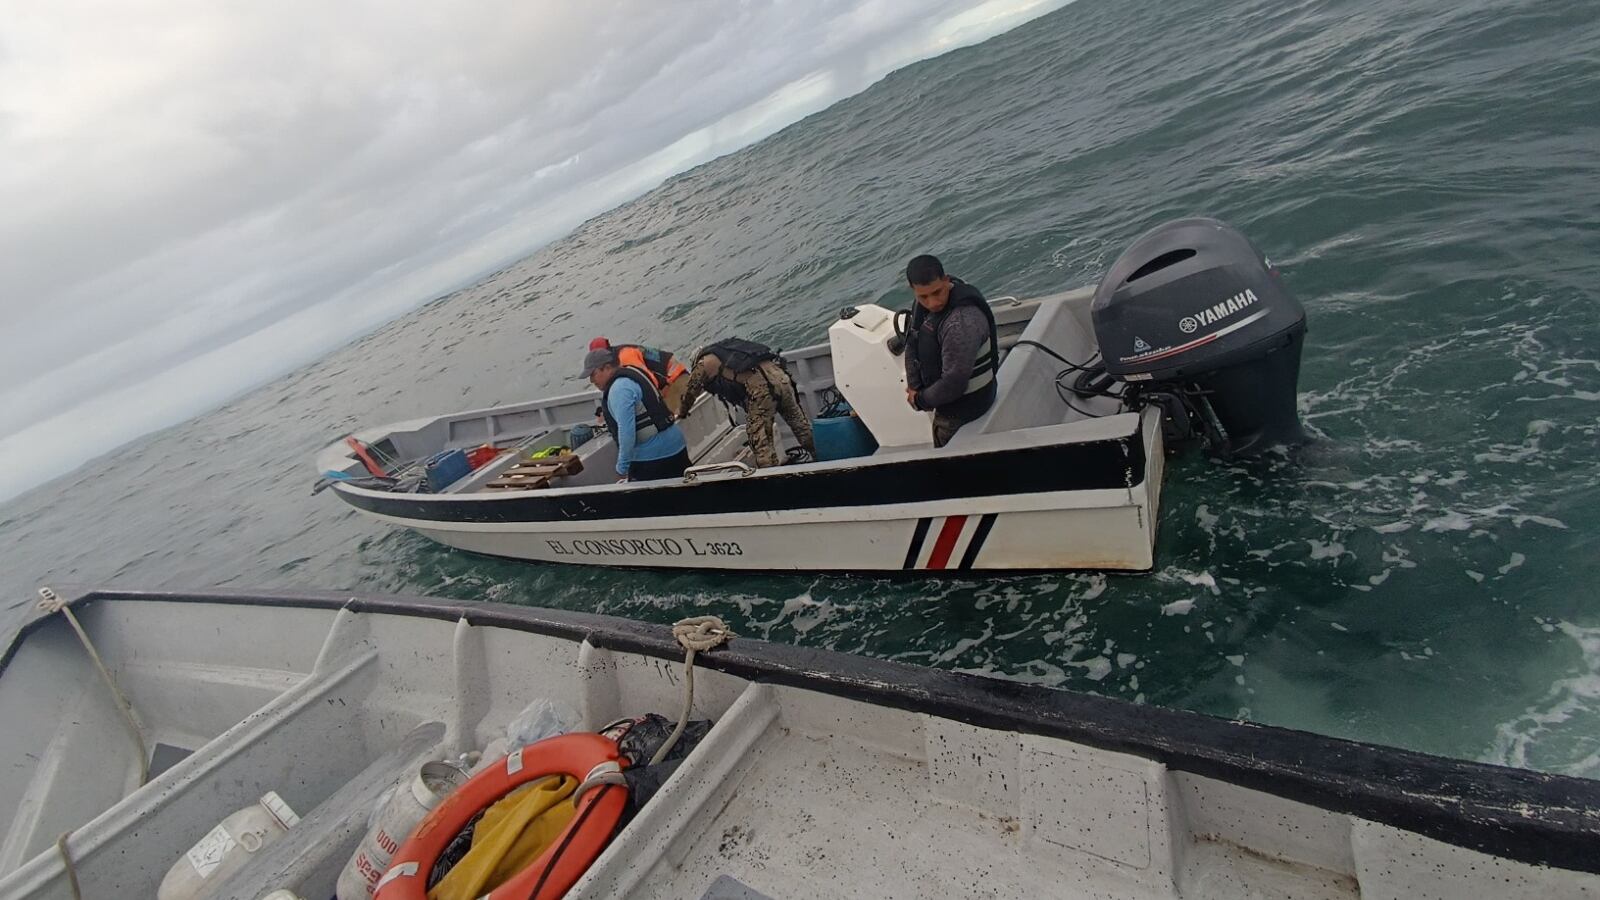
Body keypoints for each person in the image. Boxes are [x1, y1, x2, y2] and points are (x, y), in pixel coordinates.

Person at [903, 254, 999, 447]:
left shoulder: (960, 322)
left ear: (946, 280)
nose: (933, 303)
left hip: (964, 410)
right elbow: (912, 340)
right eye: (923, 296)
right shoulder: (922, 305)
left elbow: (954, 382)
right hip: (941, 401)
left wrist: (920, 400)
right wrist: (914, 386)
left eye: (937, 292)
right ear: (913, 290)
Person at [677, 339, 816, 468]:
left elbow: (690, 392)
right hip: (780, 376)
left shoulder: (703, 363)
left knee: (760, 442)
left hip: (762, 388)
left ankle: (773, 479)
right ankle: (820, 458)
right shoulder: (726, 350)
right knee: (799, 423)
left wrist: (682, 412)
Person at [580, 348, 690, 481]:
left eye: (593, 374)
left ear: (607, 368)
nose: (591, 380)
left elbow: (627, 433)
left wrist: (622, 468)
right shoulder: (633, 373)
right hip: (677, 445)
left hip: (655, 458)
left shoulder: (619, 389)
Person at [588, 336, 690, 413]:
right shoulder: (615, 361)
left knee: (666, 417)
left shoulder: (625, 357)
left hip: (676, 379)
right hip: (667, 383)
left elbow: (648, 382)